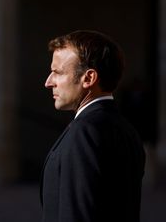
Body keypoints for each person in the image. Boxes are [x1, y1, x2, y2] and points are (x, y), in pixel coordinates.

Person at [41, 30, 145, 222]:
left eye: (57, 72)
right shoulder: (126, 129)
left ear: (88, 78)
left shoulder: (84, 133)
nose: (49, 82)